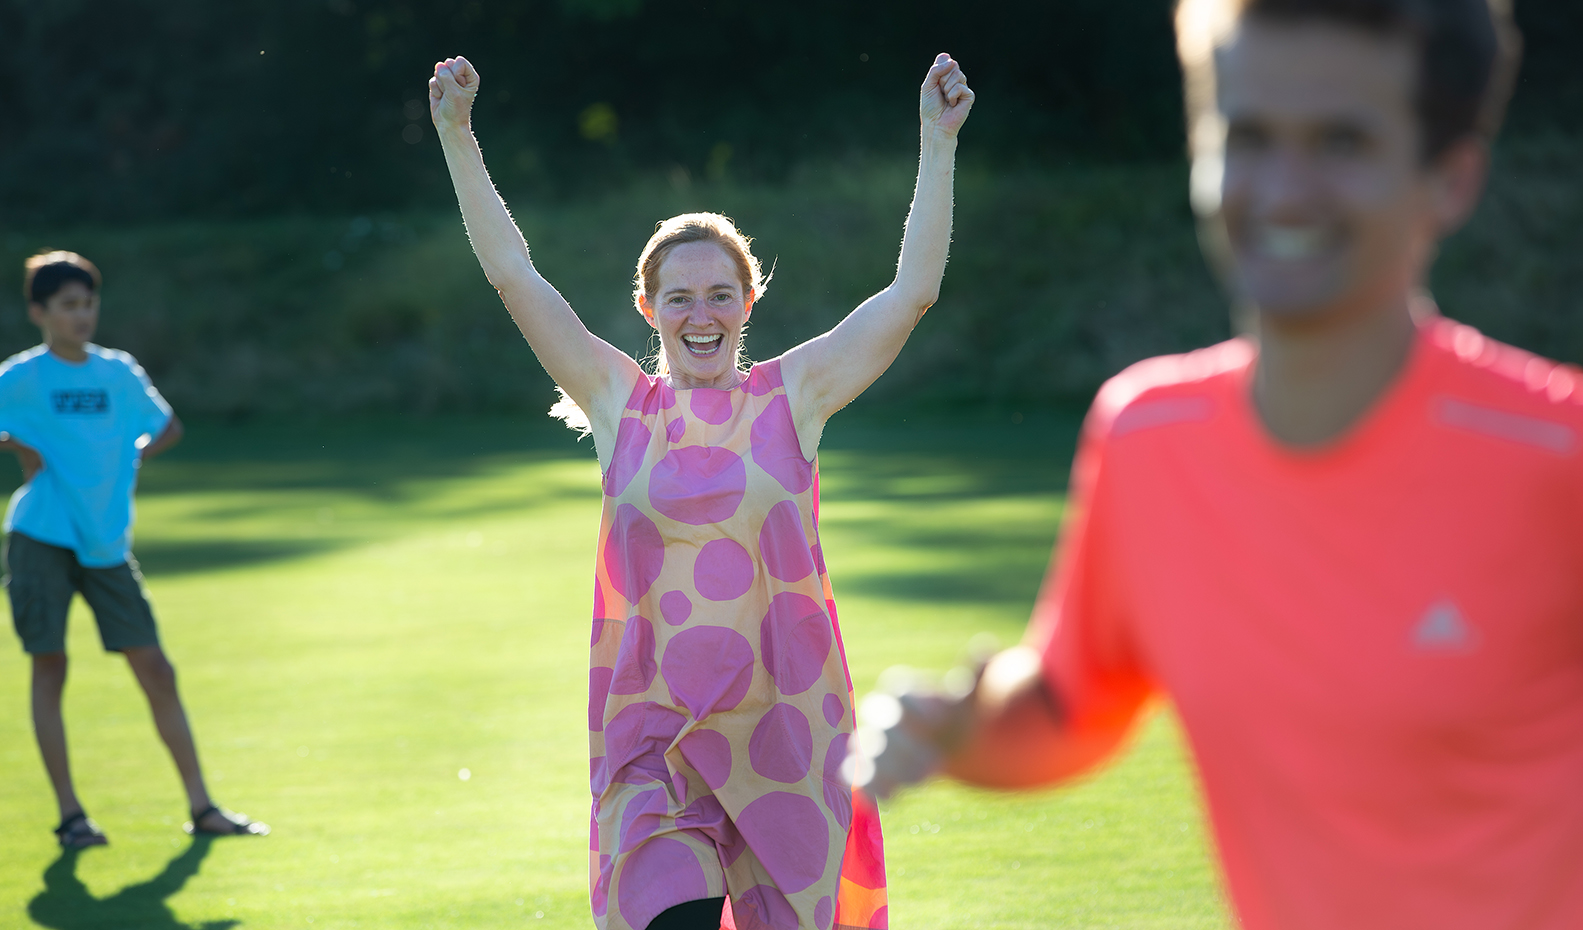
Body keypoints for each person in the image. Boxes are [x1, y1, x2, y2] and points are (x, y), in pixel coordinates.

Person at [857, 1, 1583, 928]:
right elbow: (1067, 705)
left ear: (1449, 179)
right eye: (1248, 138)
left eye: (1341, 142)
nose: (1283, 190)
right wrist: (960, 729)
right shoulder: (1149, 438)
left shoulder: (1554, 462)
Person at [429, 50, 972, 930]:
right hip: (654, 743)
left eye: (720, 294)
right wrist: (457, 136)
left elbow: (911, 293)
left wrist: (936, 142)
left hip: (782, 735)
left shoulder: (794, 397)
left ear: (747, 302)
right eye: (678, 298)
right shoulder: (618, 404)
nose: (701, 315)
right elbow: (513, 276)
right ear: (648, 309)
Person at [2, 251, 267, 848]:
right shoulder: (22, 377)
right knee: (50, 665)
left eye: (88, 303)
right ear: (39, 312)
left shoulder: (118, 372)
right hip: (41, 535)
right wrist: (17, 444)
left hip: (106, 542)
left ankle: (202, 807)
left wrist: (128, 457)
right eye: (68, 305)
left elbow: (166, 425)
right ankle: (72, 816)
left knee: (156, 669)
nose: (81, 315)